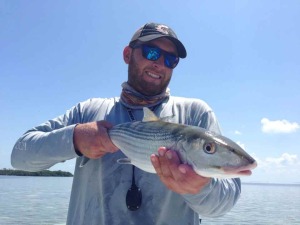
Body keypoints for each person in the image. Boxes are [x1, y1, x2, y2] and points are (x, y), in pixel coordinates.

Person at [11, 22, 241, 225]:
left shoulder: (195, 114)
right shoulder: (89, 111)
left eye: (171, 60)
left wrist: (200, 188)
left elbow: (224, 202)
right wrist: (74, 138)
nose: (160, 64)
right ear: (127, 54)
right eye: (152, 53)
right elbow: (20, 156)